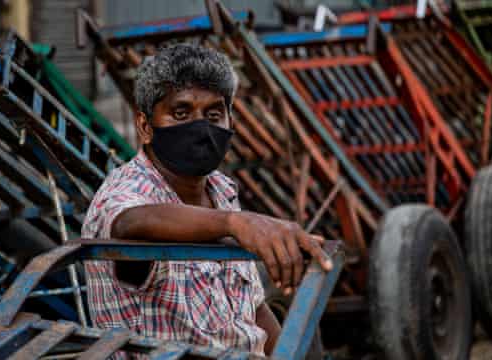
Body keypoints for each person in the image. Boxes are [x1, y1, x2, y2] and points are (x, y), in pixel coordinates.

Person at [81, 43, 332, 357]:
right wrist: (234, 223)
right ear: (146, 128)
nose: (199, 127)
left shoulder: (221, 189)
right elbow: (129, 222)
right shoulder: (125, 189)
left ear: (230, 122)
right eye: (181, 113)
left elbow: (253, 311)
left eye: (213, 114)